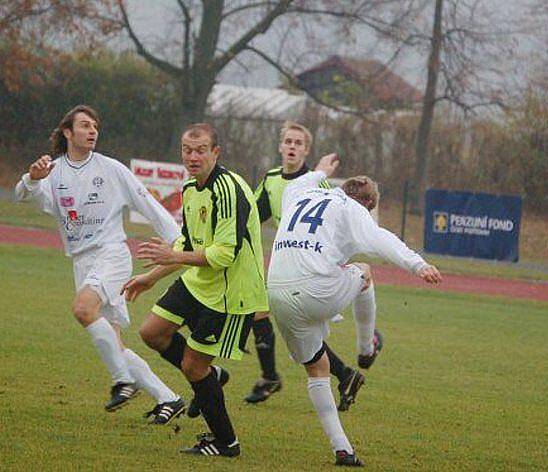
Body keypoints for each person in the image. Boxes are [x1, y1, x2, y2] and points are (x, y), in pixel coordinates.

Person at [267, 154, 442, 467]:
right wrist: (418, 264)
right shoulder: (352, 209)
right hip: (316, 291)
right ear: (369, 205)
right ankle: (365, 349)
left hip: (277, 292)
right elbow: (381, 239)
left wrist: (320, 170)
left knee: (317, 368)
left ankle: (343, 449)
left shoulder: (298, 192)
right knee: (364, 271)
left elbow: (303, 179)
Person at [13, 105, 185, 422]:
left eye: (95, 126)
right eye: (85, 125)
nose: (92, 131)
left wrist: (176, 238)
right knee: (114, 342)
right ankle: (169, 398)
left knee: (82, 309)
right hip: (82, 261)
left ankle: (123, 380)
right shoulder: (55, 170)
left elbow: (145, 201)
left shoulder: (110, 169)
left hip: (111, 255)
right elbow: (29, 198)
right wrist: (33, 180)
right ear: (68, 132)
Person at [122, 123, 268, 457]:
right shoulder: (190, 188)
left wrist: (174, 256)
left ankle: (226, 443)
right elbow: (188, 243)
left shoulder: (228, 189)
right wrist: (152, 277)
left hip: (232, 292)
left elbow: (223, 254)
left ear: (215, 152)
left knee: (192, 367)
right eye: (188, 150)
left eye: (201, 149)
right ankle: (212, 376)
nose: (193, 156)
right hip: (200, 281)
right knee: (152, 332)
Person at [245, 121, 364, 412]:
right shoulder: (271, 179)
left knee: (292, 331)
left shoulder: (317, 183)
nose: (292, 147)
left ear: (306, 150)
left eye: (298, 143)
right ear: (280, 146)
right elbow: (250, 217)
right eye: (288, 141)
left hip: (310, 270)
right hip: (283, 265)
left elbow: (336, 230)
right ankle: (340, 374)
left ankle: (277, 376)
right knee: (260, 314)